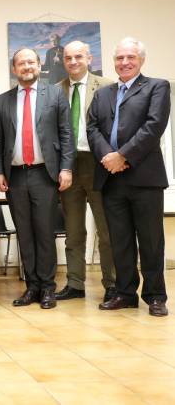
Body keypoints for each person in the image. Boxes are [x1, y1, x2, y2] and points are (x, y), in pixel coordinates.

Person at [87, 37, 170, 317]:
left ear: (141, 60)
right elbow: (92, 128)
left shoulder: (157, 87)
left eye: (130, 57)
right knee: (119, 240)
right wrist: (110, 159)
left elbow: (153, 126)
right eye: (120, 58)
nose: (124, 62)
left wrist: (122, 156)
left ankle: (156, 295)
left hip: (144, 177)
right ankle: (125, 293)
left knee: (150, 240)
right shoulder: (103, 94)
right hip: (111, 178)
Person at [0, 48, 74, 310]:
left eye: (30, 62)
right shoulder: (3, 100)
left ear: (39, 65)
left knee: (44, 232)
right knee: (24, 233)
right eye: (21, 63)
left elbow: (66, 134)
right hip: (15, 175)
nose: (26, 67)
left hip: (44, 173)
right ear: (14, 69)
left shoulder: (55, 94)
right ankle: (32, 287)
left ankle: (48, 288)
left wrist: (66, 168)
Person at [55, 41, 116, 303]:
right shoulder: (56, 90)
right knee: (74, 230)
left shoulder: (107, 86)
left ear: (89, 58)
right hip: (68, 165)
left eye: (78, 56)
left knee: (107, 229)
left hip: (99, 164)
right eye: (68, 58)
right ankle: (75, 283)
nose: (73, 62)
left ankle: (112, 283)